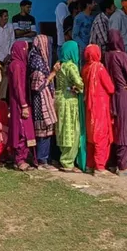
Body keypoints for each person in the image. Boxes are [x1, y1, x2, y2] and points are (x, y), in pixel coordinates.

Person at [105, 30, 127, 175]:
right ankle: (123, 165)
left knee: (116, 127)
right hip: (124, 94)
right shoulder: (122, 56)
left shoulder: (106, 56)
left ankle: (113, 162)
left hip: (111, 95)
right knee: (125, 127)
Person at [81, 44, 115, 176]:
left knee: (91, 135)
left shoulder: (85, 68)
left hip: (89, 106)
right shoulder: (99, 68)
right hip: (100, 105)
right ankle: (100, 167)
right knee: (101, 135)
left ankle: (90, 164)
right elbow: (110, 88)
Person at [28, 35, 59, 170]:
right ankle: (42, 160)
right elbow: (38, 86)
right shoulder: (37, 61)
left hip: (43, 98)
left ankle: (45, 157)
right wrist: (53, 73)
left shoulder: (40, 60)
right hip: (40, 100)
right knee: (43, 128)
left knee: (46, 129)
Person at [55, 41, 85, 173]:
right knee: (72, 129)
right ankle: (68, 162)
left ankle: (64, 158)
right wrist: (78, 88)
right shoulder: (71, 66)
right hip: (69, 101)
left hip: (59, 98)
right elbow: (79, 83)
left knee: (62, 128)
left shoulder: (59, 65)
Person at [6, 41, 35, 171]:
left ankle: (18, 158)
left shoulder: (17, 64)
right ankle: (20, 159)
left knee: (20, 128)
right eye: (26, 49)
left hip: (18, 101)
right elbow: (18, 86)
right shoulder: (17, 65)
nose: (27, 52)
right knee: (22, 130)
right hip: (19, 102)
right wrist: (23, 105)